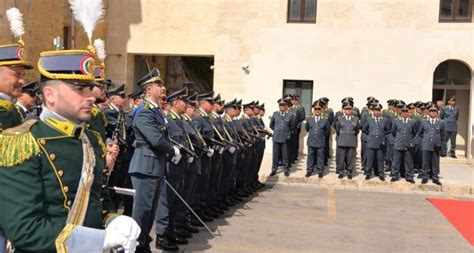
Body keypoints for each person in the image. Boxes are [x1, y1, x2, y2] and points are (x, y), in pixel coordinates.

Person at [0, 48, 140, 252]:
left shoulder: (90, 138)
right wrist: (97, 241)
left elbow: (98, 198)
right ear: (50, 94)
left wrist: (113, 219)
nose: (92, 96)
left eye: (91, 88)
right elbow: (24, 229)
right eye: (80, 89)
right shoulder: (22, 143)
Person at [128, 68, 181, 253]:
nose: (163, 87)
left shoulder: (156, 111)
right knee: (142, 212)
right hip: (145, 166)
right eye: (159, 85)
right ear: (148, 90)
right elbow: (156, 139)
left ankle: (143, 244)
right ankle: (136, 246)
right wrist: (172, 150)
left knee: (150, 211)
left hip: (154, 166)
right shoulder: (144, 112)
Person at [155, 87, 192, 251]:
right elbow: (164, 142)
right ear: (175, 103)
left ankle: (170, 232)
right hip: (170, 168)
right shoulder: (167, 120)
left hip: (180, 167)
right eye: (184, 101)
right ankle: (162, 236)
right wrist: (173, 155)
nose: (187, 105)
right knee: (165, 204)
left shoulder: (179, 121)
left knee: (175, 203)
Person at [418, 104, 445, 185]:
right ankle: (425, 177)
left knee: (435, 163)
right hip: (426, 146)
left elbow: (443, 136)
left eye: (434, 111)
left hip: (436, 146)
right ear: (428, 112)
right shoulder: (424, 122)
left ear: (437, 113)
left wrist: (443, 148)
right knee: (425, 162)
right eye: (431, 111)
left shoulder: (441, 122)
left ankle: (435, 177)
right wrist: (426, 140)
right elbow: (420, 133)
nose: (433, 112)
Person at [362, 103, 391, 181]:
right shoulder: (369, 119)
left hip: (381, 143)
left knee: (380, 159)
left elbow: (388, 130)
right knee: (370, 159)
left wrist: (383, 137)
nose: (377, 112)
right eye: (376, 110)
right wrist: (370, 136)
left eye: (379, 110)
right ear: (373, 111)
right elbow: (364, 129)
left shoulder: (384, 120)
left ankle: (381, 173)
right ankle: (368, 173)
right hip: (371, 142)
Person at [335, 100, 360, 179]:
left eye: (349, 109)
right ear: (344, 110)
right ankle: (341, 171)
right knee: (341, 157)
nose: (348, 110)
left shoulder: (356, 119)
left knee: (350, 158)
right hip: (342, 141)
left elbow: (357, 130)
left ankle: (349, 172)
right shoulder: (339, 119)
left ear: (352, 109)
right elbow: (338, 130)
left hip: (351, 141)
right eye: (346, 109)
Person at [269, 98, 294, 177]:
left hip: (285, 138)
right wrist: (277, 131)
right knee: (275, 155)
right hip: (276, 137)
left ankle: (286, 169)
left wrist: (286, 133)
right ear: (279, 106)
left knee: (285, 155)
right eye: (280, 105)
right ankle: (274, 169)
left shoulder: (290, 115)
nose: (282, 106)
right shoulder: (275, 114)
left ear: (286, 106)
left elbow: (292, 126)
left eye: (283, 105)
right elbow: (271, 125)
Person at [305, 100, 330, 178]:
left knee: (320, 157)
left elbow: (327, 130)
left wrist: (321, 136)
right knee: (310, 157)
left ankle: (320, 171)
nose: (317, 110)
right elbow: (307, 128)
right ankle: (309, 170)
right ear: (313, 109)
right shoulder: (309, 118)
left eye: (319, 109)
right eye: (315, 109)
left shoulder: (325, 119)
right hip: (311, 141)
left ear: (322, 109)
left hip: (320, 141)